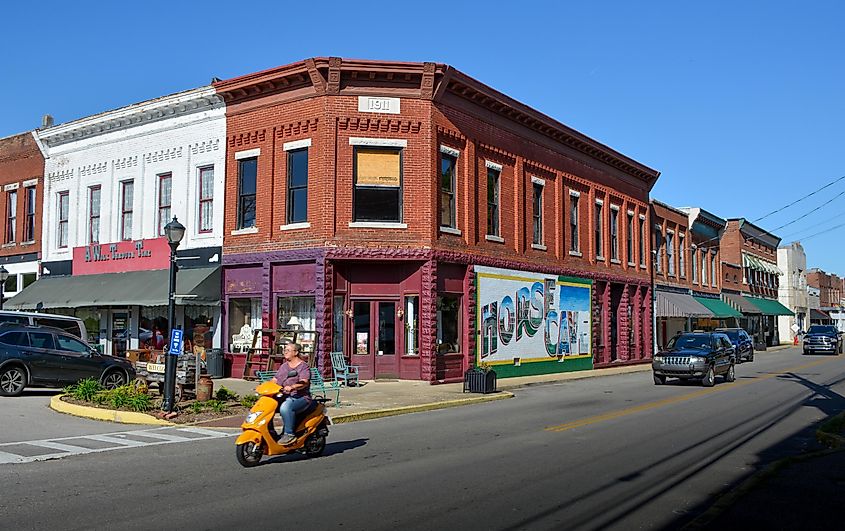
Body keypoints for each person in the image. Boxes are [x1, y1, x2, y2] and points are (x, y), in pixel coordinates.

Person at [272, 342, 312, 445]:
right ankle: (270, 432)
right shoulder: (284, 366)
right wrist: (264, 387)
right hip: (285, 395)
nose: (285, 352)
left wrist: (292, 387)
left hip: (301, 397)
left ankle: (289, 434)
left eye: (288, 350)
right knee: (267, 405)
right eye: (284, 350)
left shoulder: (303, 366)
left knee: (285, 407)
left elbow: (304, 381)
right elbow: (275, 379)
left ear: (296, 352)